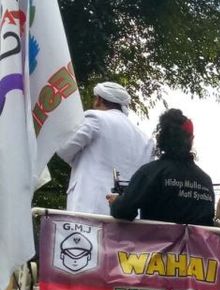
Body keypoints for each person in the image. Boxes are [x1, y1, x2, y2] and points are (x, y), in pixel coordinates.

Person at [58, 81, 153, 215]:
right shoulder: (146, 139)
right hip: (128, 215)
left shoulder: (95, 118)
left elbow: (64, 149)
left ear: (99, 100)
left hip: (90, 209)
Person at [108, 108, 214, 226]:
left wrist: (115, 202)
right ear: (191, 139)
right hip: (197, 245)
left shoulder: (150, 173)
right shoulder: (206, 181)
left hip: (155, 243)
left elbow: (124, 211)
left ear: (160, 137)